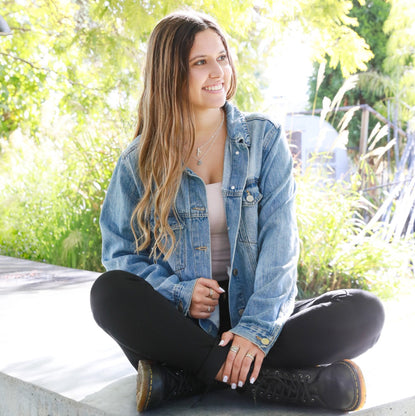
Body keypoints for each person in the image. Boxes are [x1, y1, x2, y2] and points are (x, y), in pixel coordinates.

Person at [90, 10, 385, 413]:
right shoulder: (138, 162)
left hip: (254, 310)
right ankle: (272, 381)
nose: (218, 72)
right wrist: (179, 293)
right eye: (200, 62)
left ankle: (184, 379)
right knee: (109, 294)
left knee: (365, 313)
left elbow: (281, 246)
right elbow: (120, 256)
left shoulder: (263, 140)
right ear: (170, 73)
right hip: (182, 327)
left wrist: (256, 330)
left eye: (222, 58)